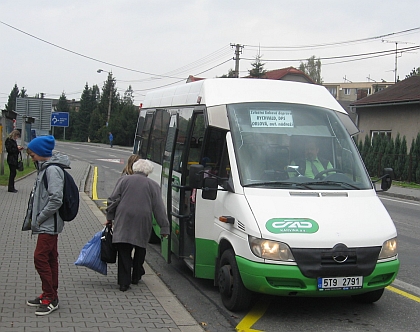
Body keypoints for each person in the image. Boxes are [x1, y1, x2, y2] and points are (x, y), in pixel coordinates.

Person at [106, 159, 169, 292]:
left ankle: (124, 283)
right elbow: (159, 208)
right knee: (140, 247)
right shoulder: (153, 185)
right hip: (143, 220)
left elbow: (113, 199)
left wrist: (110, 217)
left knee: (124, 249)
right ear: (148, 172)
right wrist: (164, 227)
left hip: (124, 218)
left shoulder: (123, 180)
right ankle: (136, 275)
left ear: (135, 169)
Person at [24, 135, 70, 316]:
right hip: (48, 224)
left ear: (42, 153)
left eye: (33, 154)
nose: (31, 158)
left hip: (48, 224)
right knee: (50, 257)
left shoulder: (52, 171)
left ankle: (50, 297)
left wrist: (40, 218)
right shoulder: (45, 169)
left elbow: (55, 199)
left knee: (40, 257)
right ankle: (50, 293)